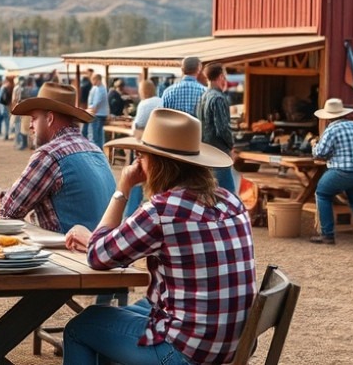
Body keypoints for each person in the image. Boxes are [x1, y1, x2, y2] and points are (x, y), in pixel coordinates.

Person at [0, 83, 117, 363]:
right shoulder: (94, 149)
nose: (30, 126)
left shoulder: (50, 154)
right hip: (105, 253)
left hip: (67, 255)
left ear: (50, 118)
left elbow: (9, 211)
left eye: (34, 118)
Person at [63, 108, 256, 364]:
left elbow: (98, 256)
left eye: (141, 156)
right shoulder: (232, 202)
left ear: (156, 163)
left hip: (185, 352)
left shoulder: (162, 211)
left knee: (82, 325)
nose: (137, 163)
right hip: (233, 345)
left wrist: (123, 188)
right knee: (128, 311)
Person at [309, 98, 353, 245]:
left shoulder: (332, 129)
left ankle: (327, 235)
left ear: (328, 117)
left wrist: (314, 144)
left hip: (341, 171)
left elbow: (320, 153)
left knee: (322, 194)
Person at [125, 79, 164, 216]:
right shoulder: (160, 101)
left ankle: (131, 212)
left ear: (143, 91)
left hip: (145, 144)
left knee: (136, 177)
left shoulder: (144, 104)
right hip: (160, 145)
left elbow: (138, 124)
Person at [196, 63, 236, 194]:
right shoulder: (218, 98)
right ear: (220, 77)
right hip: (219, 153)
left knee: (211, 193)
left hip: (205, 151)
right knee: (228, 194)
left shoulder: (203, 97)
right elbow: (222, 128)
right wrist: (231, 145)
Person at [86, 73, 109, 148]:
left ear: (97, 80)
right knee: (98, 137)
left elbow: (96, 104)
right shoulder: (99, 88)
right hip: (100, 114)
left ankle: (94, 151)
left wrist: (89, 112)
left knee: (94, 137)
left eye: (93, 80)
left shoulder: (100, 89)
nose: (92, 82)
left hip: (97, 115)